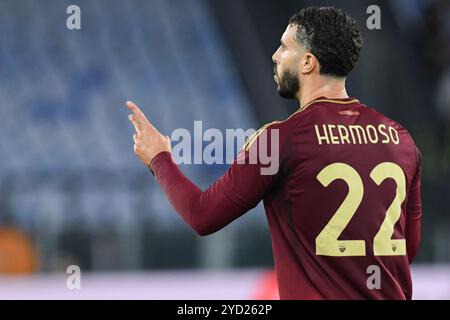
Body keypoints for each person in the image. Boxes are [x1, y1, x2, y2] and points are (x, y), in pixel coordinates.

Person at [126, 7, 422, 299]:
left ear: (307, 63)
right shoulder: (401, 139)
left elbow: (203, 215)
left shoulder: (280, 140)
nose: (275, 56)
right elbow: (407, 247)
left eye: (284, 47)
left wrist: (159, 158)